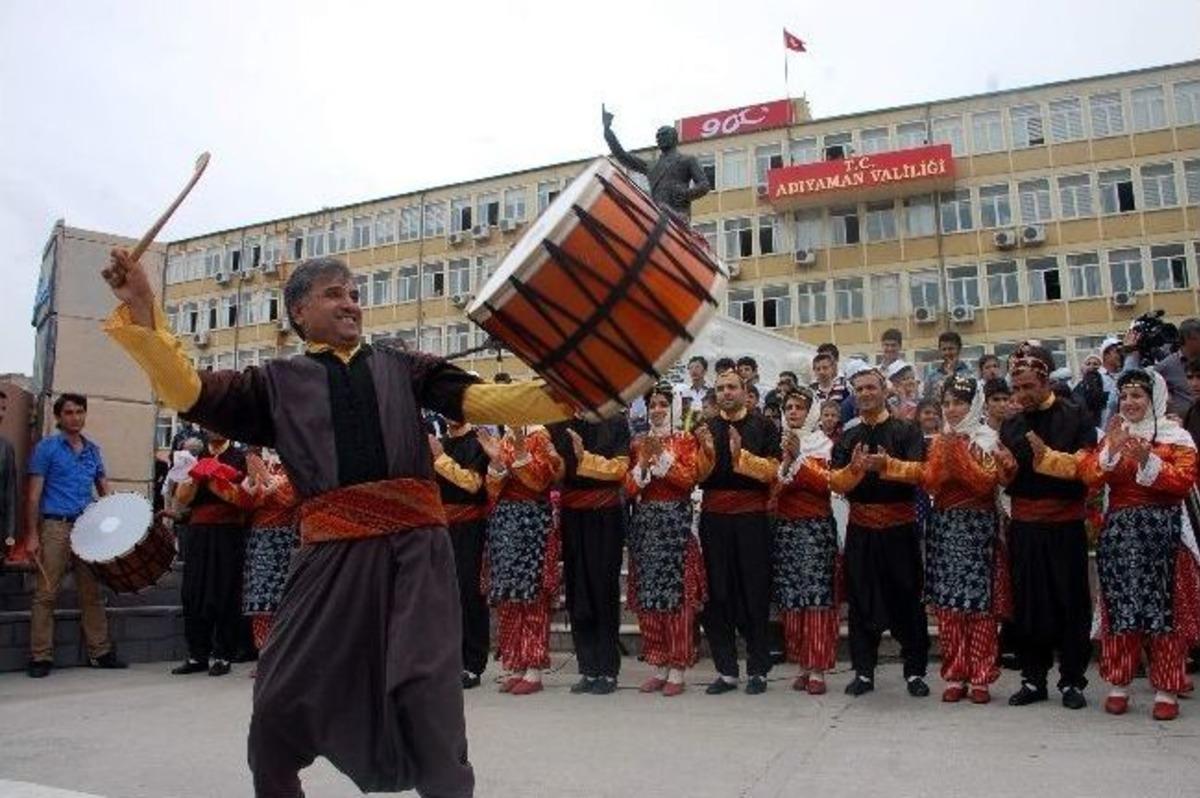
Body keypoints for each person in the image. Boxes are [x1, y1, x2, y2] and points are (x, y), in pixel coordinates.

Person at [103, 250, 574, 797]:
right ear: (298, 311)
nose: (350, 303)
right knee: (278, 704)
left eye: (354, 294)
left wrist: (576, 392)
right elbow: (188, 390)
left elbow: (484, 399)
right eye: (334, 293)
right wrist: (142, 303)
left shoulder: (404, 366)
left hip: (417, 554)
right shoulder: (273, 384)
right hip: (328, 558)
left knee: (429, 699)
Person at [1074, 370, 1200, 720]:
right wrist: (1111, 450)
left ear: (1154, 399)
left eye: (1137, 397)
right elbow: (1089, 476)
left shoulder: (1177, 437)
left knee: (1165, 612)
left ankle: (1167, 686)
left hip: (1164, 534)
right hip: (1121, 535)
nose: (1129, 403)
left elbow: (1183, 481)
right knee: (1120, 609)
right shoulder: (1114, 435)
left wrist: (1148, 459)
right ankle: (1119, 683)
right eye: (1125, 397)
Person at [904, 376, 1015, 703]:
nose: (951, 410)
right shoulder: (938, 441)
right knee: (949, 607)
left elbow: (985, 484)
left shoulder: (988, 439)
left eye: (959, 403)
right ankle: (955, 673)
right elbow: (931, 483)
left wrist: (959, 455)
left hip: (978, 527)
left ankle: (981, 676)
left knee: (980, 607)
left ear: (973, 405)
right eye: (947, 403)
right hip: (944, 527)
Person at [1000, 342, 1096, 711]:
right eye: (1017, 388)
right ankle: (1033, 677)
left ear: (1046, 383)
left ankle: (1072, 679)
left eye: (1028, 387)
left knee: (1070, 602)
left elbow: (1087, 469)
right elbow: (1007, 478)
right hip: (1024, 526)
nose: (1022, 395)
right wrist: (1005, 468)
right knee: (1028, 605)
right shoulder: (1011, 424)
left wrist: (1047, 458)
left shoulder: (1076, 416)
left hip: (1064, 523)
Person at [830, 369, 930, 698]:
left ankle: (915, 671)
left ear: (884, 390)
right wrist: (856, 470)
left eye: (871, 387)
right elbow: (836, 483)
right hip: (861, 528)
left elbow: (920, 473)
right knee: (861, 600)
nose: (866, 393)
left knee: (907, 597)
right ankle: (863, 671)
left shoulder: (906, 430)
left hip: (899, 528)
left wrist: (887, 466)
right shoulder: (847, 436)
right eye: (859, 389)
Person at [25, 393, 127, 677]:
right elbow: (33, 496)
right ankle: (40, 656)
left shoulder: (93, 451)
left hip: (88, 527)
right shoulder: (46, 448)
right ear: (58, 417)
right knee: (46, 592)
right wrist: (31, 535)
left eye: (80, 412)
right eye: (69, 412)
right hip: (55, 526)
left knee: (91, 593)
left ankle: (100, 652)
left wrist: (115, 528)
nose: (75, 417)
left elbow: (104, 492)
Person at [695, 367, 781, 695]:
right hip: (714, 518)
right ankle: (726, 670)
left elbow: (773, 470)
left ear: (746, 392)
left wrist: (739, 457)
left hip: (751, 519)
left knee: (754, 591)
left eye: (732, 387)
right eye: (721, 388)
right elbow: (696, 476)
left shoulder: (764, 425)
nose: (726, 393)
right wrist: (707, 453)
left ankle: (758, 668)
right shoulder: (707, 428)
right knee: (718, 594)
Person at [626, 384, 706, 696]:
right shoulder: (638, 442)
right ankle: (658, 664)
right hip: (646, 524)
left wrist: (662, 457)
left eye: (662, 404)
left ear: (671, 408)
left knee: (677, 599)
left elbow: (688, 479)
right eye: (653, 405)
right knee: (650, 597)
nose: (657, 409)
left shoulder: (685, 441)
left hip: (675, 522)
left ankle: (677, 668)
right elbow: (629, 490)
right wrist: (644, 463)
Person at [479, 425, 564, 696]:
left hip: (532, 522)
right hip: (505, 523)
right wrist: (495, 460)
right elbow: (492, 490)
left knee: (532, 596)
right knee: (508, 597)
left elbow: (540, 481)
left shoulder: (540, 437)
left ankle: (534, 668)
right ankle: (515, 664)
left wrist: (518, 451)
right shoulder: (502, 439)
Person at [550, 416, 631, 695]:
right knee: (577, 592)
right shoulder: (560, 422)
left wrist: (585, 458)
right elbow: (557, 472)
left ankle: (608, 670)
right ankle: (588, 668)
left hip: (605, 514)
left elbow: (621, 469)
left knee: (603, 590)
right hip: (573, 514)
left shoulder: (615, 420)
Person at [170, 430, 252, 677]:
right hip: (197, 531)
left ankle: (223, 654)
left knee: (226, 591)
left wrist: (216, 479)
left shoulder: (241, 457)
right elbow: (181, 499)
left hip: (229, 531)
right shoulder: (194, 456)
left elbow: (246, 499)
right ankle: (197, 654)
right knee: (193, 592)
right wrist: (196, 477)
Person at [774, 389, 839, 695]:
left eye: (800, 407)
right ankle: (801, 663)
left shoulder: (823, 444)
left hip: (815, 529)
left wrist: (799, 457)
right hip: (787, 530)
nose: (793, 412)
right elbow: (772, 491)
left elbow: (827, 483)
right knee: (793, 598)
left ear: (811, 412)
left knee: (816, 598)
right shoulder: (780, 444)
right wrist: (786, 461)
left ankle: (818, 669)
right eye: (788, 407)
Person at [431, 419, 491, 690]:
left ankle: (472, 663)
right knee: (443, 597)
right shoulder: (440, 442)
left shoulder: (476, 442)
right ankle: (449, 661)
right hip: (441, 528)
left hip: (469, 527)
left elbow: (473, 484)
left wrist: (440, 459)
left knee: (469, 593)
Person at [602, 107, 711, 221]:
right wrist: (608, 131)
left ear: (674, 138)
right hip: (656, 216)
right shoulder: (651, 166)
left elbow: (704, 185)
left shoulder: (687, 160)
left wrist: (686, 194)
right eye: (658, 136)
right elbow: (623, 156)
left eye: (663, 134)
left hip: (678, 215)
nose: (659, 138)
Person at [240, 450, 298, 662]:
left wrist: (265, 479)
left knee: (283, 601)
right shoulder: (264, 466)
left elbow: (289, 500)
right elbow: (246, 503)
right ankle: (264, 656)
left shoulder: (294, 469)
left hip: (284, 540)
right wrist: (256, 478)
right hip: (259, 540)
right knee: (260, 602)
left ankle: (282, 656)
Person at [1122, 317, 1200, 417]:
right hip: (1185, 424)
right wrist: (1132, 353)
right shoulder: (1168, 365)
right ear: (1188, 339)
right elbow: (1133, 383)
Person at [922, 331, 972, 400]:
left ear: (959, 349)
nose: (947, 353)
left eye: (951, 349)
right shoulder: (932, 376)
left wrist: (952, 375)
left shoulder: (968, 373)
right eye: (944, 349)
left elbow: (969, 395)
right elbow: (926, 400)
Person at [0, 390, 17, 552]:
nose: (1, 414)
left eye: (3, 409)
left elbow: (11, 496)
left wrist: (10, 537)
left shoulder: (6, 448)